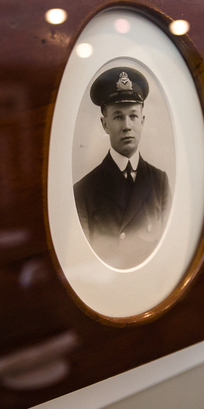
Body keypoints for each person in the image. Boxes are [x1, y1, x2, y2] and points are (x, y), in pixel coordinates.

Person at [73, 67, 171, 269]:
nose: (127, 126)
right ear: (105, 124)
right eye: (118, 117)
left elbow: (168, 251)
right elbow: (82, 259)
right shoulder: (83, 190)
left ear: (142, 122)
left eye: (133, 116)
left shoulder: (160, 181)